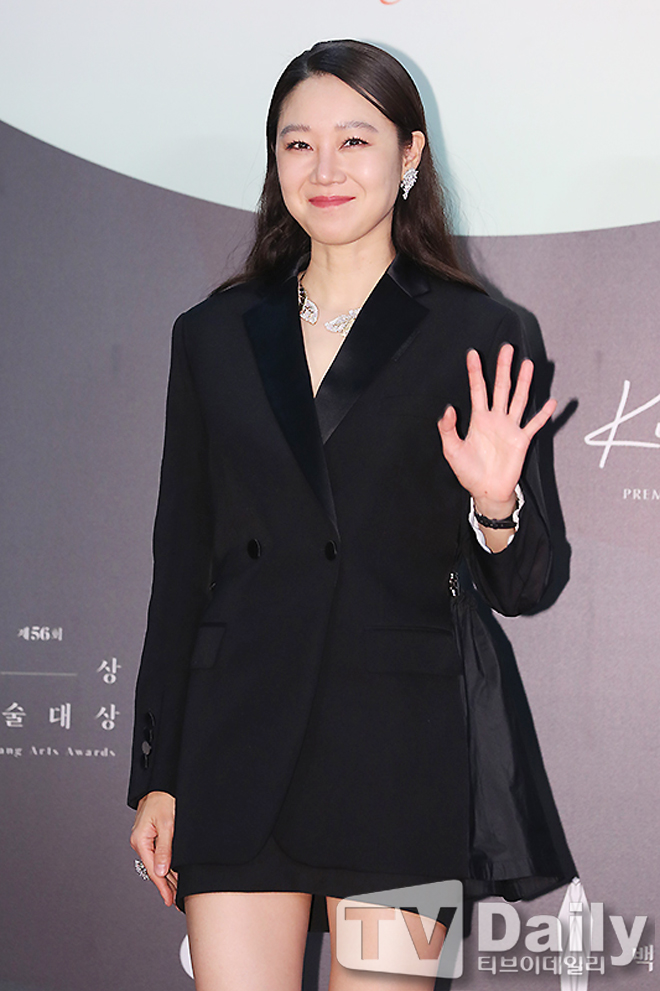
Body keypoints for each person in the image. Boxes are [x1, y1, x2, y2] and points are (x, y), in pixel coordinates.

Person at [129, 39, 575, 991]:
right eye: (298, 144)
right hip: (237, 744)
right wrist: (157, 772)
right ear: (275, 161)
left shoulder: (483, 332)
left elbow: (526, 582)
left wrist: (496, 503)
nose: (324, 169)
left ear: (409, 155)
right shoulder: (212, 333)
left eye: (355, 140)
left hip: (399, 750)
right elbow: (182, 563)